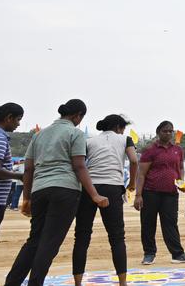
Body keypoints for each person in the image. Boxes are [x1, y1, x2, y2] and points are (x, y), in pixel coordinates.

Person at [3, 99, 108, 286]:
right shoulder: (75, 133)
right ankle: (35, 283)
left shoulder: (39, 135)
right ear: (78, 116)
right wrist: (94, 195)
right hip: (65, 190)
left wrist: (26, 198)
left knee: (34, 239)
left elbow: (28, 169)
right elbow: (79, 166)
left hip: (40, 190)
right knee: (49, 242)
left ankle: (12, 282)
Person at [72, 114, 139, 286]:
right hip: (112, 187)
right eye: (123, 127)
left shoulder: (89, 141)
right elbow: (133, 161)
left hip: (89, 188)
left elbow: (80, 165)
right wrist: (131, 184)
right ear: (118, 127)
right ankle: (122, 283)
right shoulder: (125, 139)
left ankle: (78, 283)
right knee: (117, 237)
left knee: (82, 236)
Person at [133, 120, 185, 264]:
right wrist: (138, 195)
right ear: (158, 132)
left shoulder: (178, 150)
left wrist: (181, 181)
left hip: (171, 193)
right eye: (165, 131)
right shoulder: (150, 150)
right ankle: (149, 253)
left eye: (170, 131)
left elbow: (181, 168)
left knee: (171, 223)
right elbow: (141, 174)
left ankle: (177, 254)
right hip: (150, 192)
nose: (168, 133)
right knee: (148, 223)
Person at [0, 103, 26, 239]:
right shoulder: (0, 138)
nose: (18, 124)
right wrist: (20, 176)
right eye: (18, 119)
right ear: (9, 118)